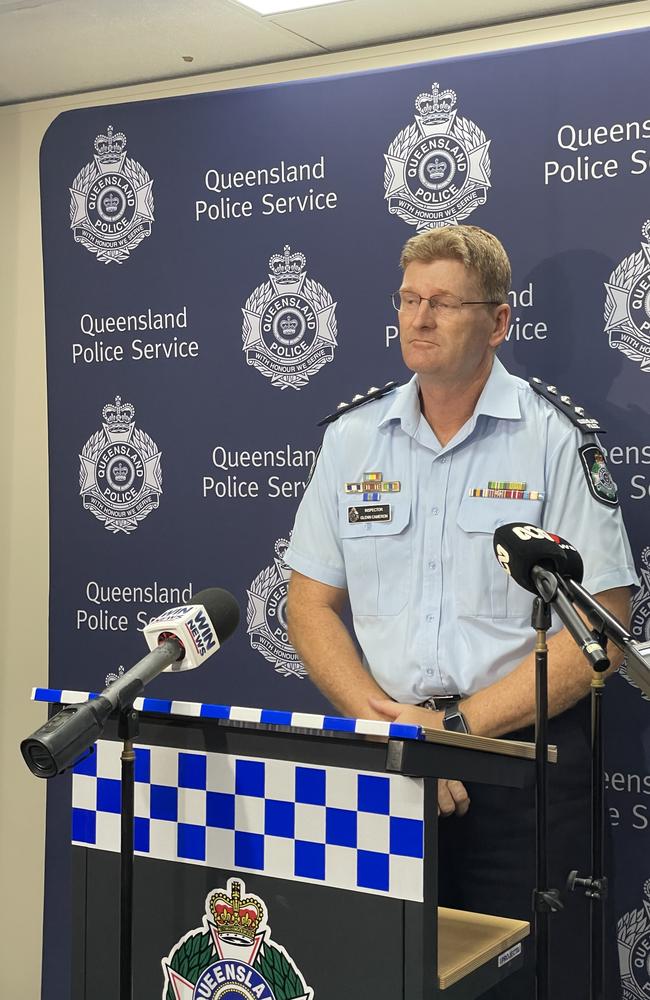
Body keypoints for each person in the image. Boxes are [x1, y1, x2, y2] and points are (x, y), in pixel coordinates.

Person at [284, 225, 638, 999]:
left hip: (522, 775)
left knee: (532, 983)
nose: (419, 318)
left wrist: (457, 733)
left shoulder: (556, 439)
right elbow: (307, 603)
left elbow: (601, 628)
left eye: (442, 302)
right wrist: (379, 720)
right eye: (409, 299)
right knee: (379, 975)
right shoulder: (352, 440)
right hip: (388, 765)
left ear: (500, 321)